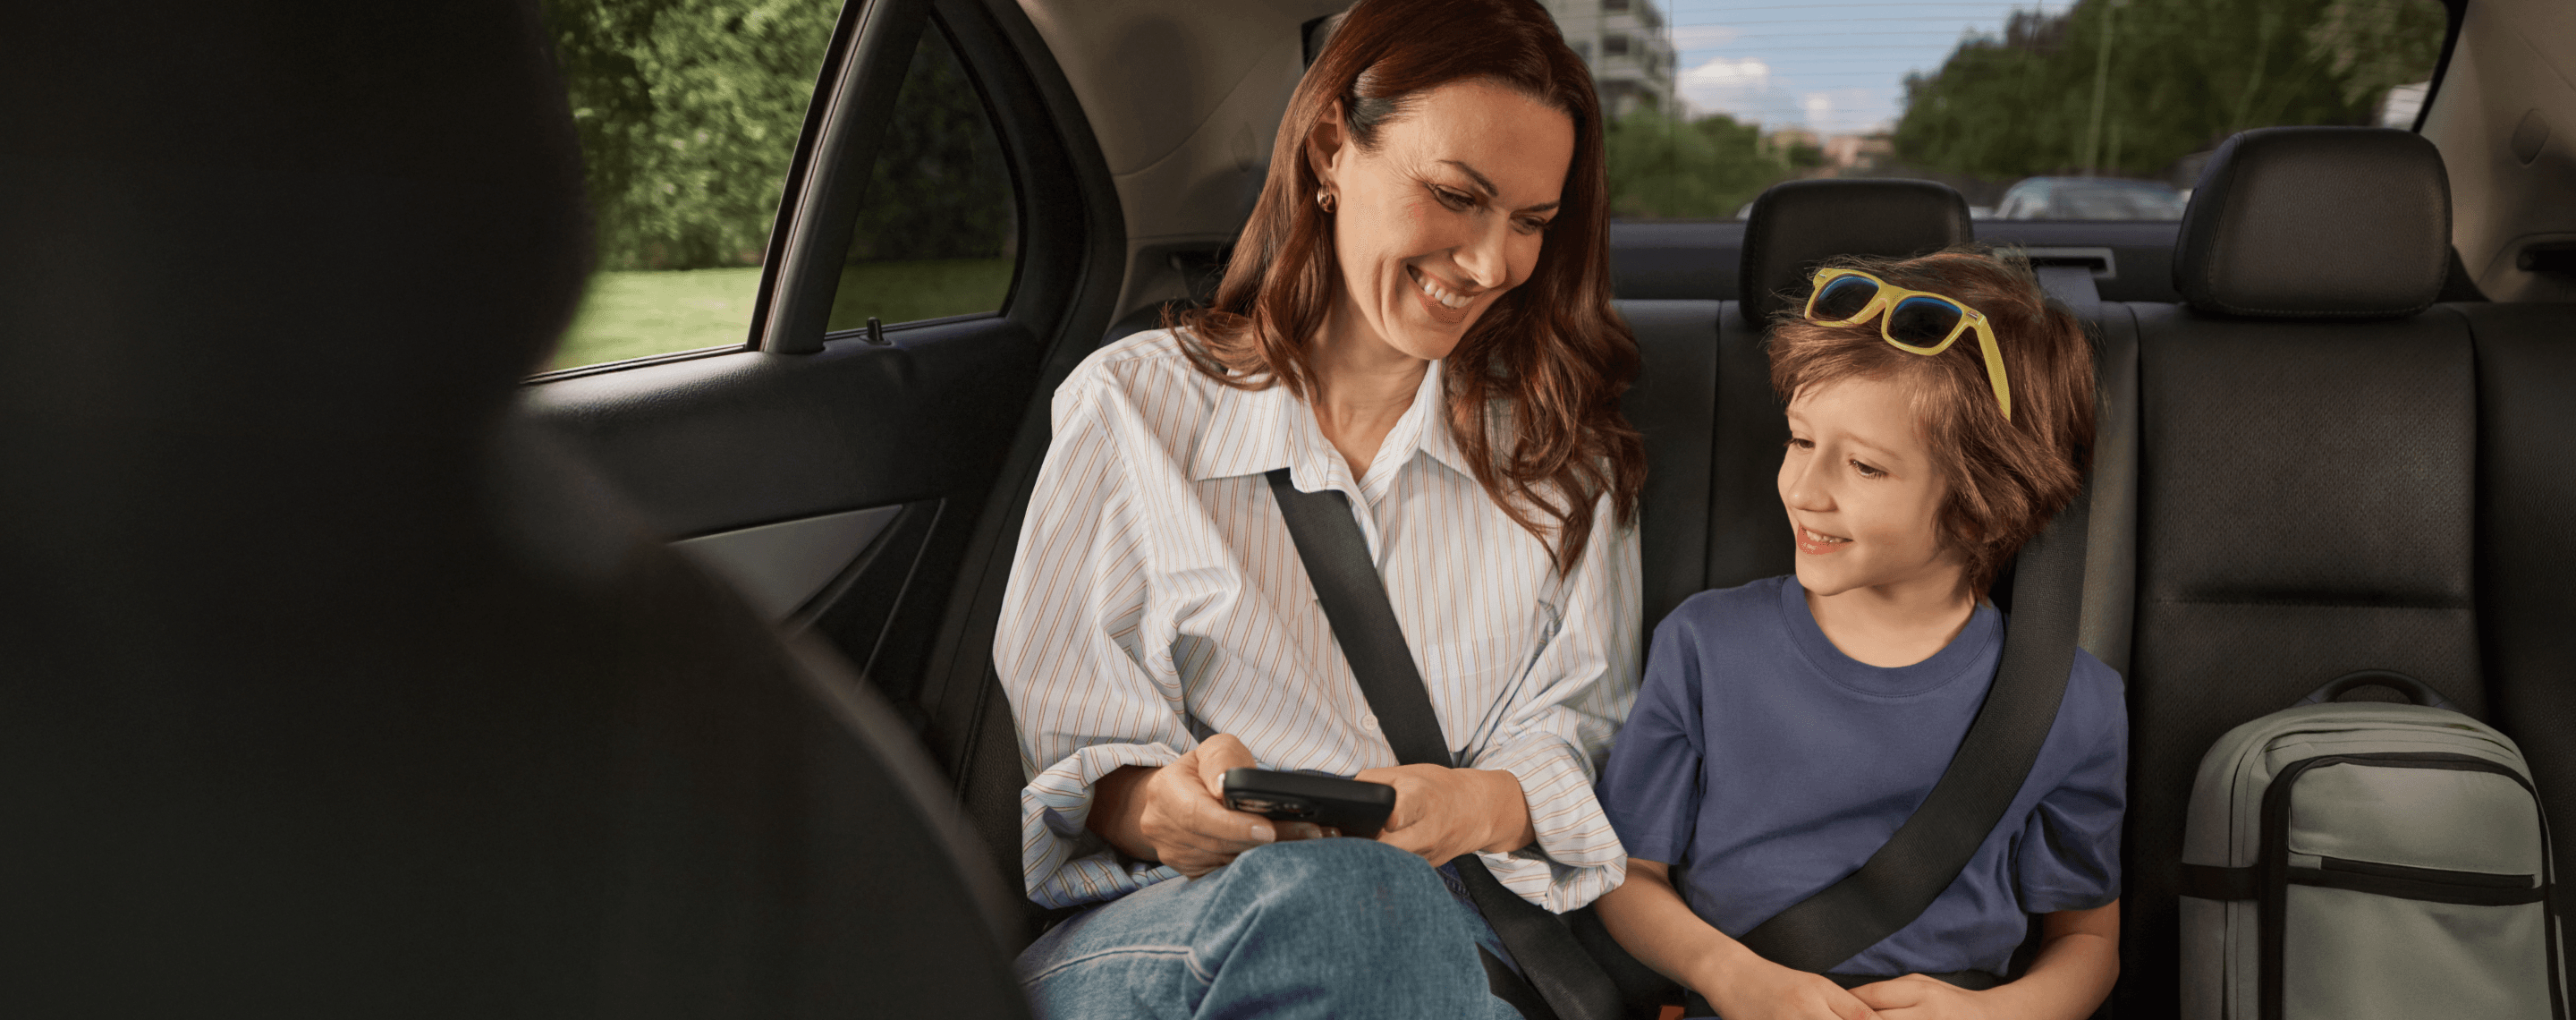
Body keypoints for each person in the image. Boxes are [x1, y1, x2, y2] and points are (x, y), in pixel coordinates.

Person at [995, 0, 1647, 1016]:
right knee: (1358, 906)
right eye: (1455, 196)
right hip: (1181, 928)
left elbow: (1583, 733)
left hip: (1458, 937)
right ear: (1333, 149)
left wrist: (1472, 804)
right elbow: (1080, 750)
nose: (1487, 264)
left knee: (1385, 913)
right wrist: (1167, 807)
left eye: (1529, 224)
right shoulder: (1133, 406)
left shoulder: (1564, 462)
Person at [1592, 251, 2124, 1020]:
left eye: (1866, 468)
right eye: (1801, 441)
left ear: (1981, 504)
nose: (1805, 490)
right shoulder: (1707, 647)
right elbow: (1625, 876)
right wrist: (1728, 976)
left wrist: (1990, 1016)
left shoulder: (2069, 702)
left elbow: (2087, 940)